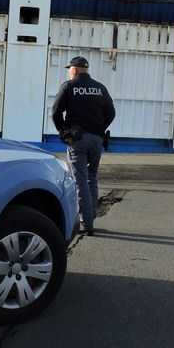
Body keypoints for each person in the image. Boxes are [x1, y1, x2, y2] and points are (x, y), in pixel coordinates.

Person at [52, 56, 115, 235]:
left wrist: (63, 131)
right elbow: (111, 113)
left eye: (69, 69)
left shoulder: (69, 86)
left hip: (77, 139)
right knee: (92, 178)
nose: (69, 72)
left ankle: (86, 224)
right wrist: (99, 129)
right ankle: (90, 218)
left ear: (75, 70)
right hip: (96, 139)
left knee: (79, 180)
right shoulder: (100, 88)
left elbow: (56, 112)